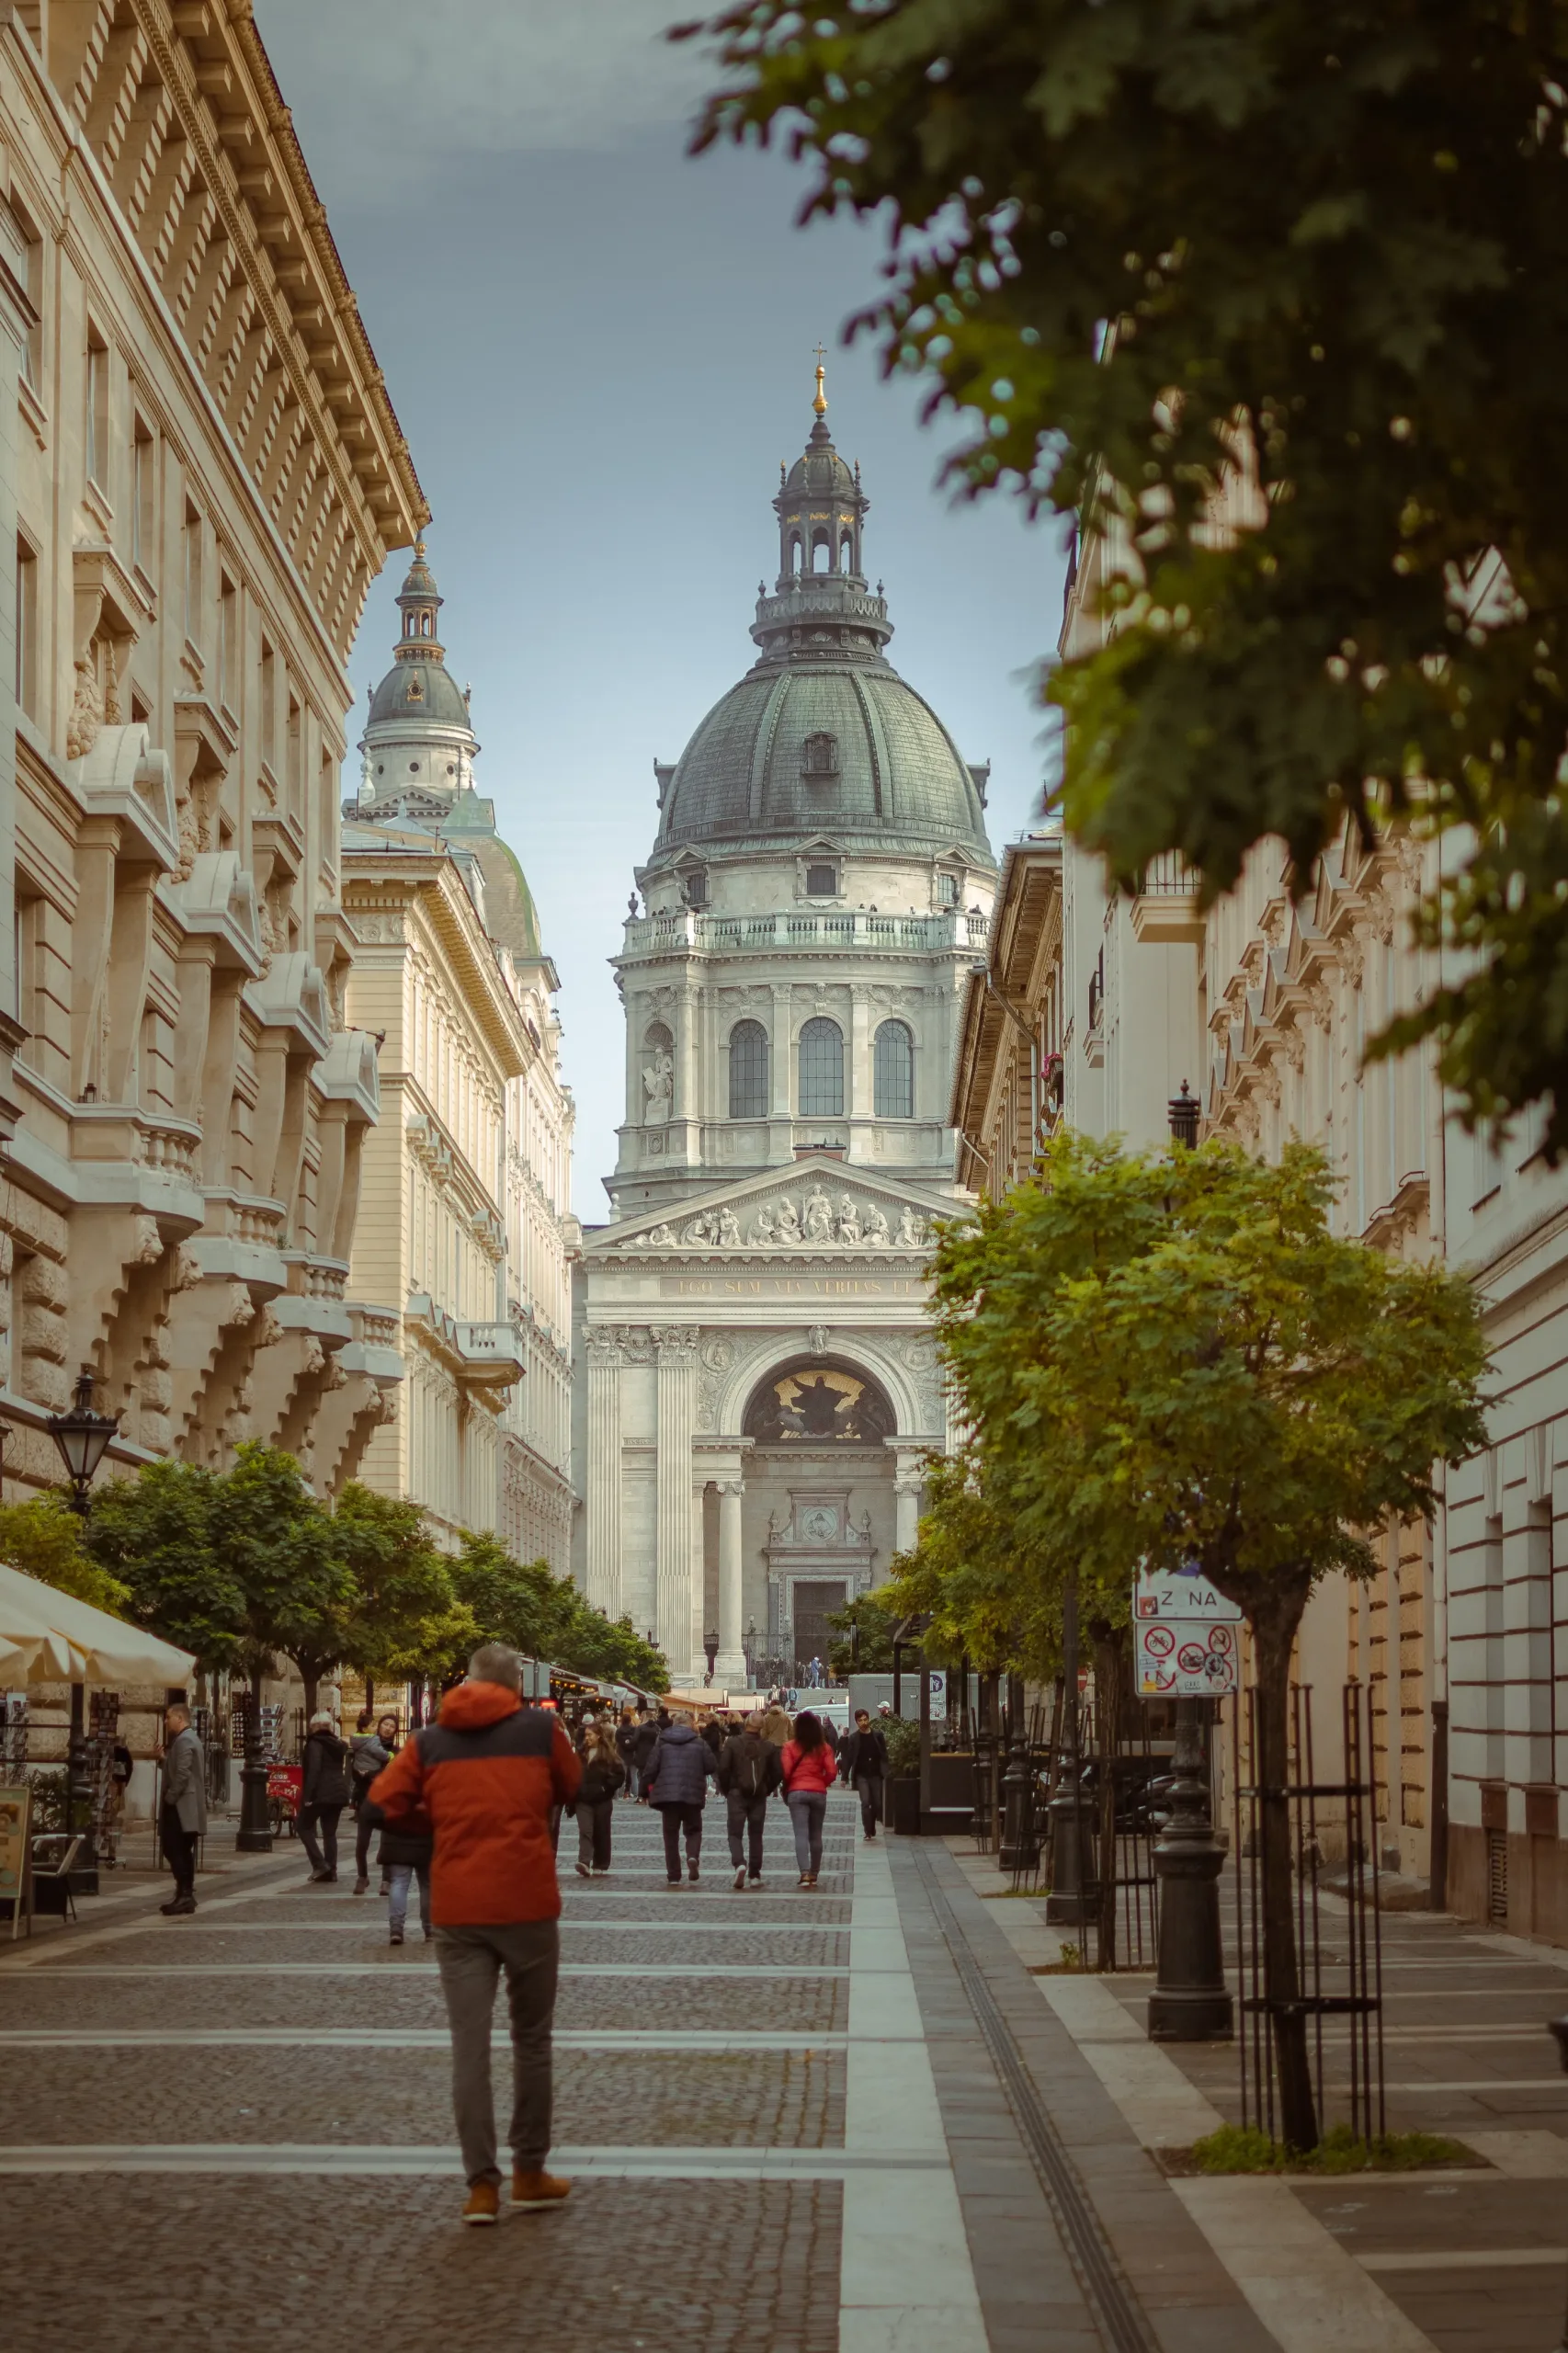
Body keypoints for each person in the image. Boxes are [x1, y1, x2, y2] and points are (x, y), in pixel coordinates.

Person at [369, 1642, 581, 2226]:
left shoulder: (429, 1739)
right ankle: (530, 2172)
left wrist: (438, 1821)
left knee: (470, 2045)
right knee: (531, 2041)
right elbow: (571, 1785)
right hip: (528, 1902)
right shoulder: (542, 1729)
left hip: (460, 1909)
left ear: (466, 1680)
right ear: (516, 1684)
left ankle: (481, 2188)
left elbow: (382, 1804)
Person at [642, 1712, 717, 1884]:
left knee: (670, 1835)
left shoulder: (661, 1741)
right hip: (692, 1794)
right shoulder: (699, 1742)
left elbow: (651, 1768)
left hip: (668, 1796)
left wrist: (644, 1791)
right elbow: (711, 1765)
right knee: (694, 1830)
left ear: (673, 1724)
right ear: (691, 1724)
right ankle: (692, 1856)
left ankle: (674, 1876)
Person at [717, 1710, 781, 1888]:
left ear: (746, 1723)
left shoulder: (733, 1743)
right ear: (762, 1727)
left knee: (735, 1833)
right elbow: (778, 1772)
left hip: (737, 1793)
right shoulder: (768, 1746)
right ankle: (755, 1875)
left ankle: (739, 1863)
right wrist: (767, 1789)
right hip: (758, 1795)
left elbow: (723, 1768)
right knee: (756, 1835)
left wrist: (727, 1789)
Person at [159, 1702, 206, 1915]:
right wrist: (164, 1761)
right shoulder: (186, 1739)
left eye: (168, 1717)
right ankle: (184, 1893)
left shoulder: (185, 1739)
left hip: (181, 1806)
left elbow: (183, 1773)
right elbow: (178, 1767)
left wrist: (170, 1798)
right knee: (182, 1850)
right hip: (184, 1805)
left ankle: (185, 1893)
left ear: (180, 1718)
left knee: (173, 1848)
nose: (165, 1721)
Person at [780, 1710, 836, 1887]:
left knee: (801, 1834)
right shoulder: (824, 1748)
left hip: (796, 1793)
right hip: (818, 1793)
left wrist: (790, 1785)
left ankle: (804, 1873)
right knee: (816, 1835)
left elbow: (786, 1771)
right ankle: (814, 1872)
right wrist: (822, 1783)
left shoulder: (789, 1747)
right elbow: (832, 1772)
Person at [300, 1710, 351, 1883]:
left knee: (303, 1826)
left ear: (314, 1726)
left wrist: (307, 1796)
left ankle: (320, 1864)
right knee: (330, 1833)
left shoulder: (315, 1744)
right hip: (338, 1792)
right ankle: (332, 1870)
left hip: (321, 1792)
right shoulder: (337, 1744)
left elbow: (314, 1770)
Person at [350, 1711, 400, 1893]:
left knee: (387, 1842)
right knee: (362, 1842)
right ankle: (362, 1877)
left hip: (386, 1801)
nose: (387, 1728)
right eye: (385, 1724)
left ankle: (386, 1880)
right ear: (378, 1726)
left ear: (395, 1730)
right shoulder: (365, 1745)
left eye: (392, 1726)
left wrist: (370, 1774)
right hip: (365, 1799)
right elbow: (355, 1771)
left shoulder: (394, 1752)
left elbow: (390, 1776)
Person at [573, 1718, 626, 1877]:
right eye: (586, 1735)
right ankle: (584, 1861)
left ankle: (600, 1862)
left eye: (590, 1735)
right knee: (585, 1830)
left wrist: (606, 1788)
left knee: (601, 1831)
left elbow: (619, 1775)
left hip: (602, 1799)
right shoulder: (581, 1754)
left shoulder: (609, 1755)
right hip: (583, 1799)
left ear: (598, 1736)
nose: (587, 1738)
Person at [842, 1708, 889, 1841]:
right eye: (860, 1720)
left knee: (877, 1803)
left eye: (865, 1719)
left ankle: (872, 1825)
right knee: (865, 1802)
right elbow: (849, 1758)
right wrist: (844, 1777)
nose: (863, 1722)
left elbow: (884, 1754)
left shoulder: (878, 1735)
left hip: (875, 1774)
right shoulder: (854, 1738)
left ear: (868, 1719)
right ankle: (867, 1830)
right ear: (856, 1722)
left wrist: (886, 1769)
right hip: (862, 1775)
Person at [631, 1710, 662, 1803]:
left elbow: (634, 1741)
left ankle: (642, 1797)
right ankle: (651, 1796)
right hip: (653, 1755)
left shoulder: (640, 1728)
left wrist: (634, 1749)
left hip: (641, 1754)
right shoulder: (657, 1728)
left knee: (641, 1776)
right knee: (652, 1777)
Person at [615, 1710, 639, 1797]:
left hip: (622, 1754)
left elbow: (617, 1742)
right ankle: (636, 1794)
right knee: (634, 1776)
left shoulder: (619, 1730)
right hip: (633, 1754)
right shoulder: (635, 1729)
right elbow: (637, 1741)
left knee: (622, 1776)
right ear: (630, 1720)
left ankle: (620, 1794)